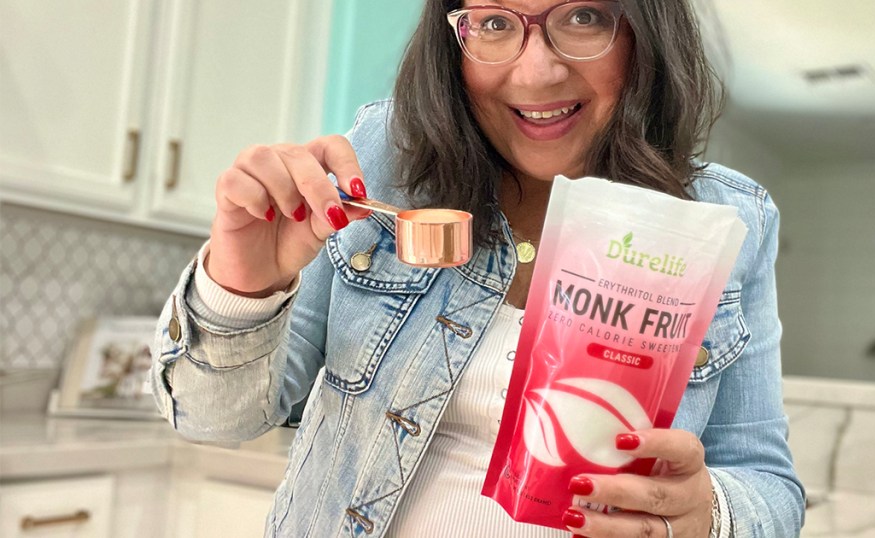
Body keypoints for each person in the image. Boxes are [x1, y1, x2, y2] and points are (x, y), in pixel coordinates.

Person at [150, 1, 805, 536]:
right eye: (494, 23)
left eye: (582, 18)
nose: (537, 73)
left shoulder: (727, 221)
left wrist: (708, 514)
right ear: (455, 39)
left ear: (644, 32)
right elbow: (214, 420)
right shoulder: (384, 164)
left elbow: (768, 486)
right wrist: (242, 286)